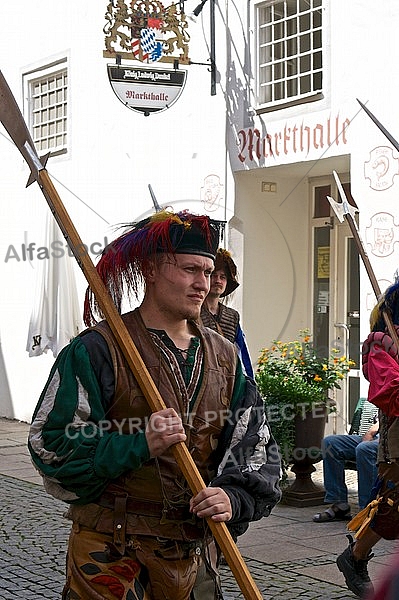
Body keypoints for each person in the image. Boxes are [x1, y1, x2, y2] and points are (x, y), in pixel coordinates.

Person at [28, 209, 282, 600]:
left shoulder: (226, 357)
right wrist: (138, 442)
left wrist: (231, 496)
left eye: (209, 272)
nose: (204, 283)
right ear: (150, 269)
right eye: (190, 270)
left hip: (192, 552)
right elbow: (51, 443)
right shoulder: (98, 349)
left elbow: (256, 450)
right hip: (111, 552)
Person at [336, 279, 399, 598]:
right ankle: (355, 557)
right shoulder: (380, 343)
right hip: (397, 447)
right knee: (392, 513)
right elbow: (388, 394)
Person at [313, 402, 379, 522]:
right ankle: (340, 505)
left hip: (391, 439)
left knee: (365, 449)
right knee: (330, 443)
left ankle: (368, 511)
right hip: (377, 436)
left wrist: (374, 429)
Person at [200, 248, 254, 378]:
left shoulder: (232, 316)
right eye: (213, 275)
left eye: (222, 277)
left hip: (227, 378)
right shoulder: (192, 313)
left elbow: (242, 356)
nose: (218, 280)